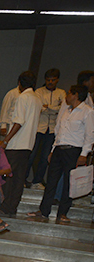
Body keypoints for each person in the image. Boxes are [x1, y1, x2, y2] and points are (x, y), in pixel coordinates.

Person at [27, 85, 94, 224]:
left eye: (69, 93)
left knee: (69, 183)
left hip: (74, 150)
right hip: (59, 149)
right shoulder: (66, 110)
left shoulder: (87, 111)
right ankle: (44, 211)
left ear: (76, 95)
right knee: (51, 181)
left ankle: (63, 212)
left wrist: (84, 153)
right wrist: (52, 150)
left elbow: (90, 134)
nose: (66, 96)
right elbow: (59, 131)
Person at [0, 72, 42, 217]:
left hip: (16, 144)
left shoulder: (23, 97)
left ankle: (4, 207)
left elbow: (18, 122)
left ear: (19, 83)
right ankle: (12, 207)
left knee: (8, 176)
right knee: (19, 179)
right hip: (28, 144)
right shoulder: (37, 99)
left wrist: (6, 140)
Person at [26, 69, 65, 189]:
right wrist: (54, 109)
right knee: (31, 154)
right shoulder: (39, 91)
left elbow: (62, 109)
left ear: (57, 80)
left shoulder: (61, 93)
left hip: (52, 129)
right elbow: (40, 108)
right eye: (48, 80)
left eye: (53, 80)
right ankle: (24, 179)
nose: (50, 82)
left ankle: (37, 181)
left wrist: (49, 107)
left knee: (45, 157)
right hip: (39, 127)